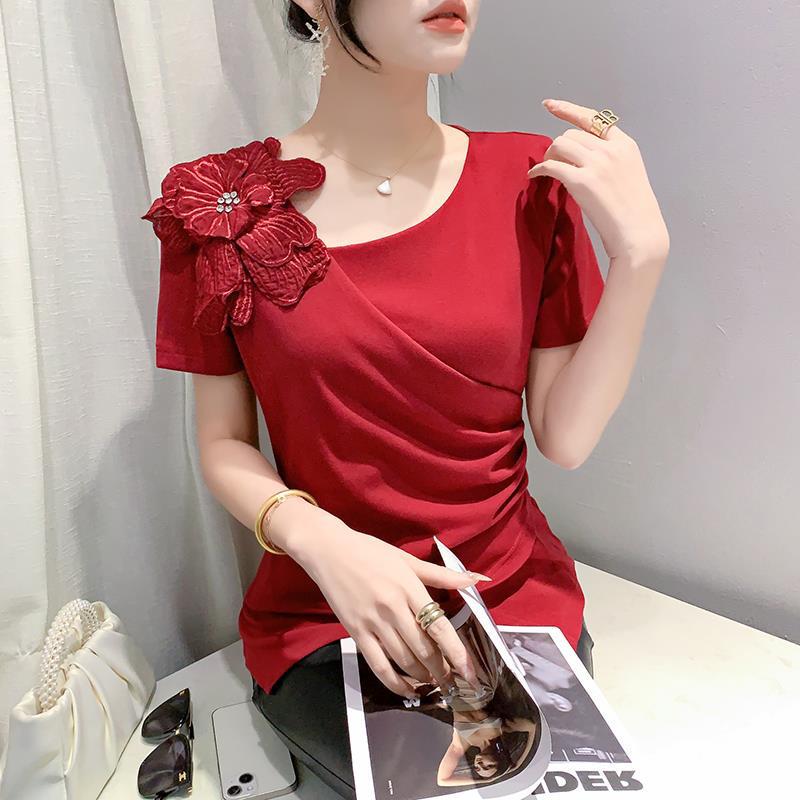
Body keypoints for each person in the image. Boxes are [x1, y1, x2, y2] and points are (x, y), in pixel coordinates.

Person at [142, 1, 669, 798]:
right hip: (329, 607)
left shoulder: (530, 183)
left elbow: (564, 437)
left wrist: (641, 260)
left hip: (503, 596)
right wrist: (324, 542)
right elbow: (222, 443)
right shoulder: (216, 206)